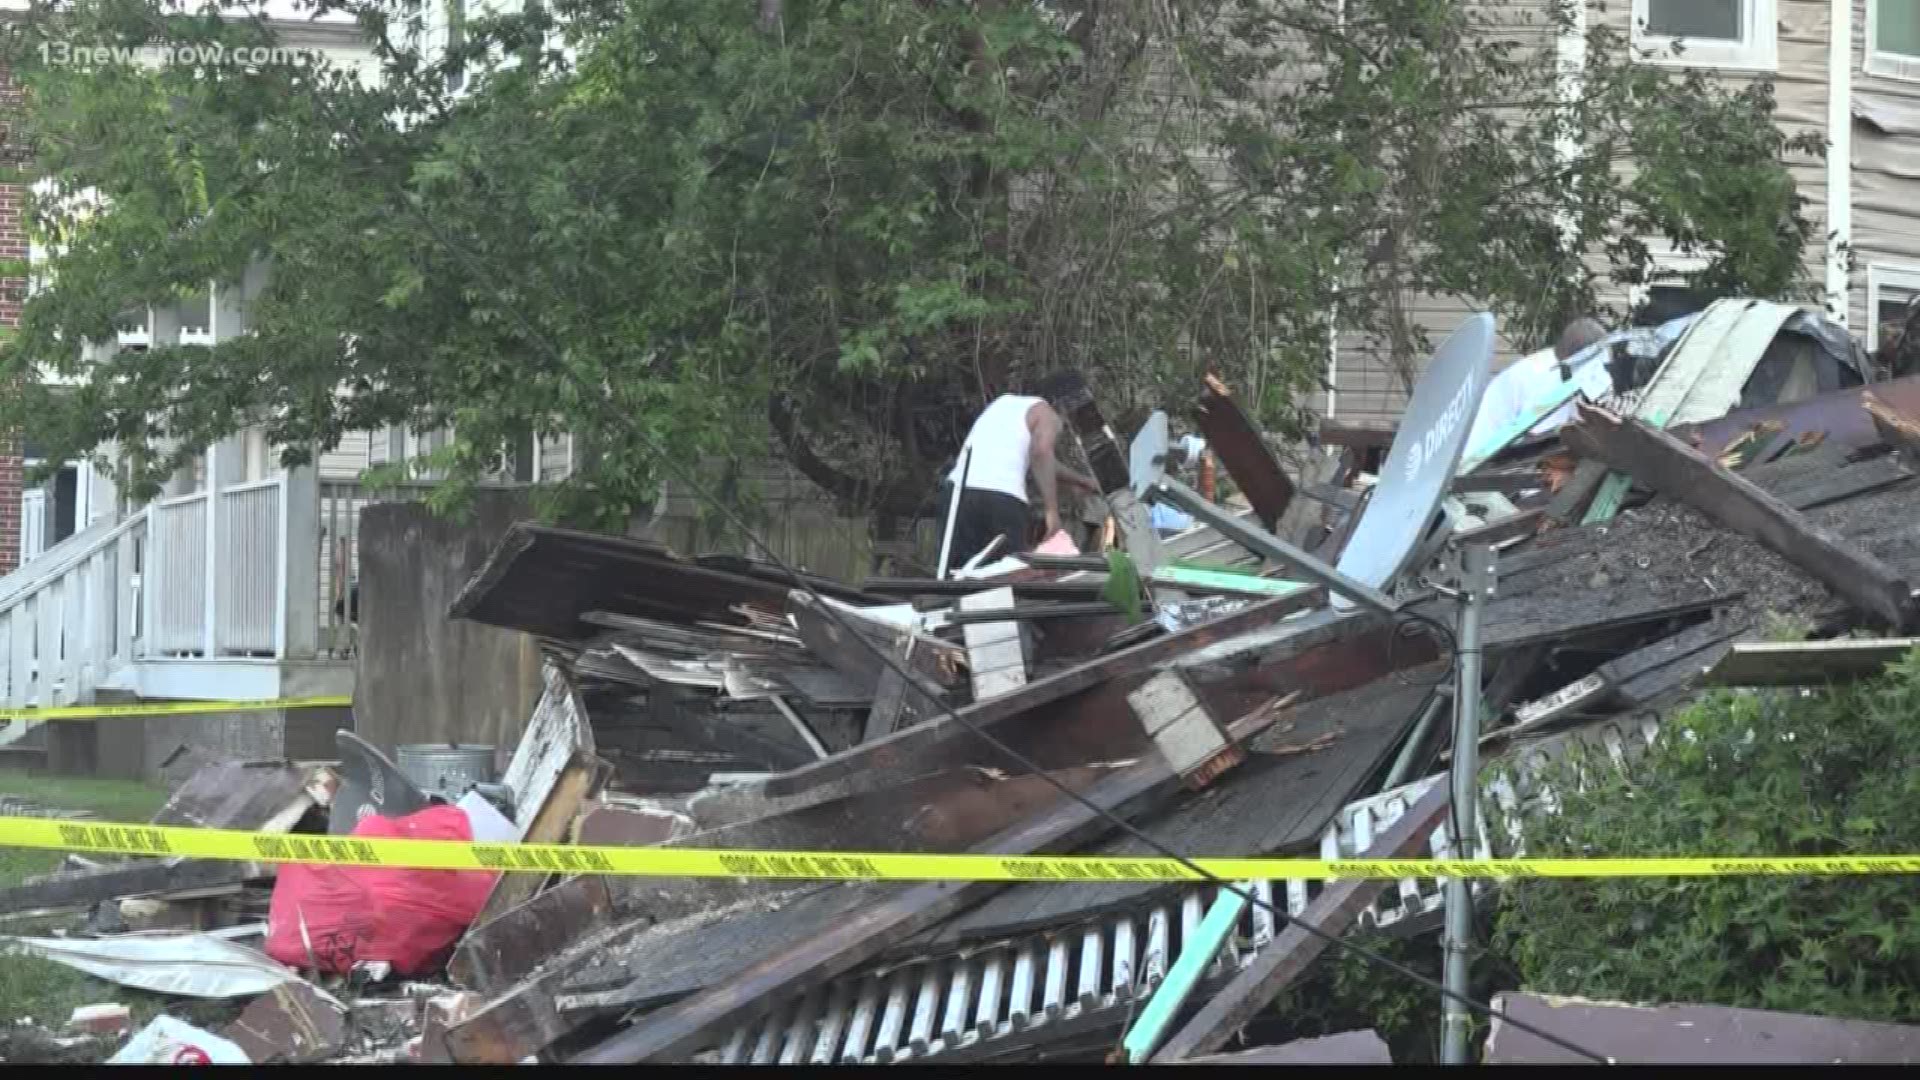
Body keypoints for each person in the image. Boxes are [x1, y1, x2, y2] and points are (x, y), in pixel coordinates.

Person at [939, 376, 1100, 574]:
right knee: (1006, 578)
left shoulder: (1003, 404)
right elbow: (1041, 452)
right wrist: (1052, 513)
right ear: (1067, 402)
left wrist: (1082, 481)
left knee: (957, 575)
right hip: (1002, 501)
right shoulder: (1047, 413)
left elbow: (1042, 459)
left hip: (958, 493)